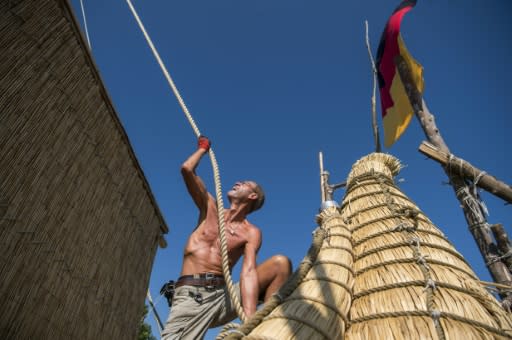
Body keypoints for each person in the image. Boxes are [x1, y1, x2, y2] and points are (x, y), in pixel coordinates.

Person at [161, 136, 292, 340]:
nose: (237, 182)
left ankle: (266, 330)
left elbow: (248, 272)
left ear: (252, 196)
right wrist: (202, 149)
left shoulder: (251, 232)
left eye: (245, 184)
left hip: (224, 295)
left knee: (280, 264)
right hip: (191, 294)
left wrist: (250, 322)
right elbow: (187, 169)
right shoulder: (210, 208)